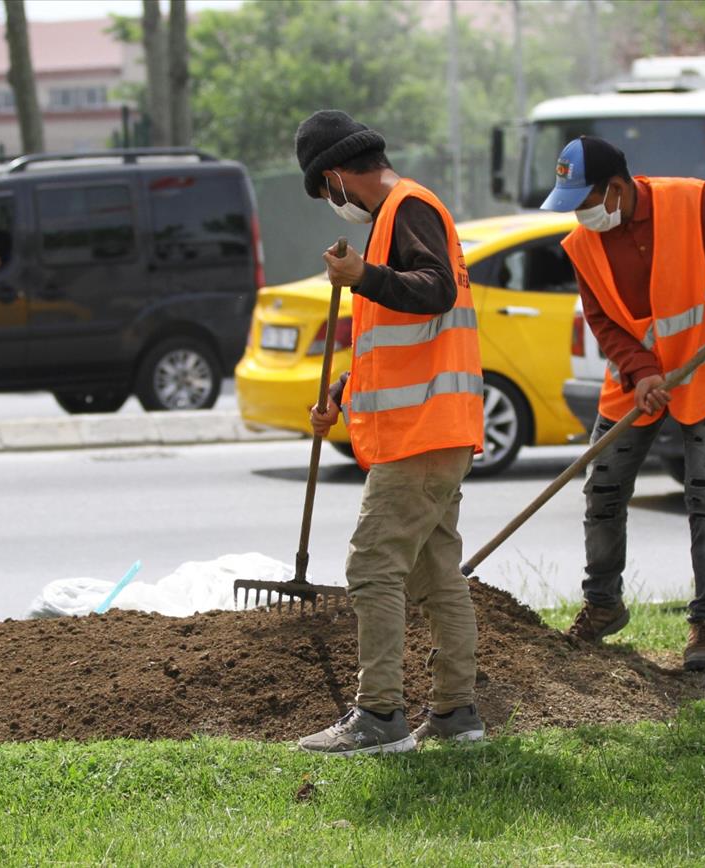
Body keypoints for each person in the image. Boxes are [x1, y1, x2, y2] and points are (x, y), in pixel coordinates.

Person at [540, 135, 705, 670]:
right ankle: (603, 604)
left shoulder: (690, 201)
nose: (579, 216)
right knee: (603, 491)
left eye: (584, 202)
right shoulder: (581, 245)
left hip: (703, 373)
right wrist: (642, 372)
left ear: (616, 189)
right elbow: (603, 322)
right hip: (634, 384)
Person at [292, 110, 486, 756]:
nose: (330, 204)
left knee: (373, 565)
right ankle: (457, 715)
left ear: (338, 175)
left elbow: (431, 292)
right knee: (436, 573)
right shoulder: (391, 221)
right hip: (432, 428)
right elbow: (395, 343)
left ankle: (379, 717)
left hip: (423, 434)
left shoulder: (408, 209)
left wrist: (362, 279)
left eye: (325, 191)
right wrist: (340, 396)